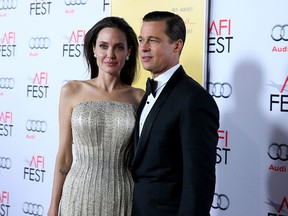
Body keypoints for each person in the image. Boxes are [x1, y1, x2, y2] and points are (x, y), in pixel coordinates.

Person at [48, 16, 144, 216]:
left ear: (129, 52)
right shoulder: (71, 90)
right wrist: (53, 207)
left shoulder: (139, 97)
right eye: (103, 46)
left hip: (122, 196)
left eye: (118, 47)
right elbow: (65, 156)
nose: (110, 54)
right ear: (93, 48)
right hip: (77, 194)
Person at [131, 11, 219, 216]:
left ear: (177, 45)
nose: (143, 48)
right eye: (141, 40)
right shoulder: (147, 93)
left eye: (153, 40)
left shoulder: (194, 99)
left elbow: (199, 180)